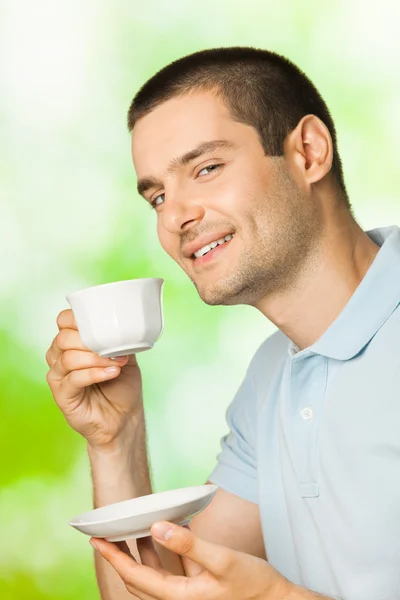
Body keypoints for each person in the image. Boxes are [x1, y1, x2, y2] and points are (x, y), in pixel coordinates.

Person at [45, 46, 400, 600]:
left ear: (308, 152)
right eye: (158, 196)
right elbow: (160, 593)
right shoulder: (271, 380)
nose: (174, 217)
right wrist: (116, 438)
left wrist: (273, 598)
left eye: (206, 168)